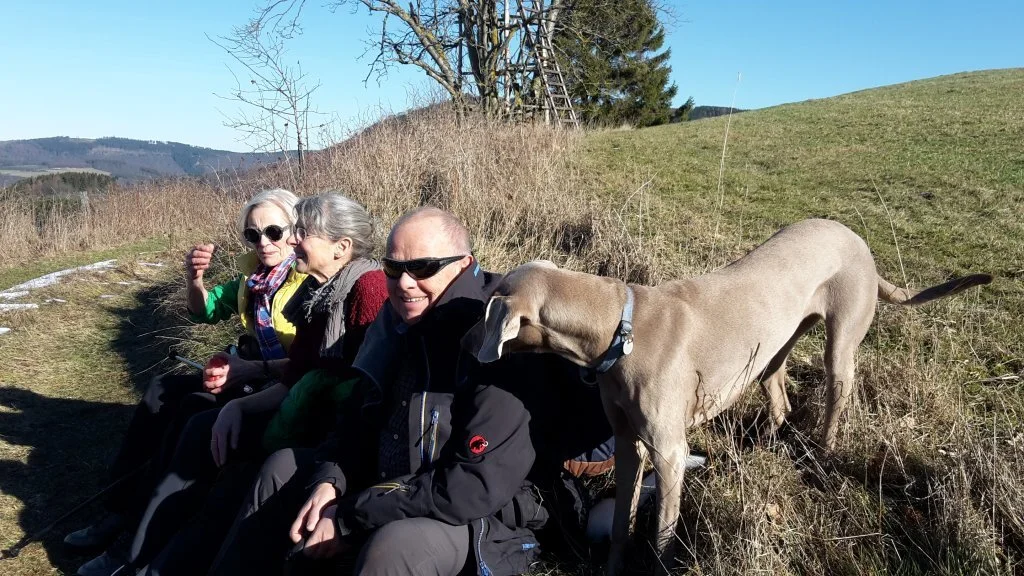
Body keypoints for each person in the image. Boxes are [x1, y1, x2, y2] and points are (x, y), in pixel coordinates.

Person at [209, 207, 612, 576]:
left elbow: (471, 487)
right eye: (392, 267)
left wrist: (349, 515)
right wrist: (329, 482)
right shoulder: (396, 326)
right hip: (392, 485)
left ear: (464, 266)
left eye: (423, 267)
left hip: (482, 519)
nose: (404, 283)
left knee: (395, 546)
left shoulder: (502, 342)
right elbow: (356, 420)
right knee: (283, 468)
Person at [66, 188, 307, 574]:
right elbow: (205, 311)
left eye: (274, 232)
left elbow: (313, 357)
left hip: (276, 385)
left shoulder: (308, 281)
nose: (263, 242)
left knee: (190, 417)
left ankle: (135, 547)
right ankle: (120, 510)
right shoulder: (252, 279)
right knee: (161, 390)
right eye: (252, 234)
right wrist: (194, 279)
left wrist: (251, 368)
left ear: (296, 231)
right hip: (245, 373)